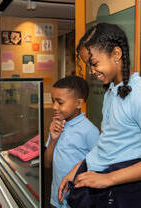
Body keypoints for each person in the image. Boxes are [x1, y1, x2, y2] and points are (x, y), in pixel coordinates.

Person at [58, 22, 141, 208]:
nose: (91, 71)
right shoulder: (111, 92)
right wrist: (77, 168)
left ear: (116, 54)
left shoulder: (138, 94)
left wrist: (107, 179)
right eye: (89, 65)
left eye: (94, 64)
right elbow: (108, 142)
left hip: (123, 190)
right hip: (103, 182)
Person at [45, 75, 99, 208]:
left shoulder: (90, 131)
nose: (54, 107)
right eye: (53, 101)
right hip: (56, 200)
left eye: (60, 102)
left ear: (79, 104)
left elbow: (98, 167)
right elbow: (47, 163)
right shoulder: (56, 124)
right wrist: (52, 139)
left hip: (79, 201)